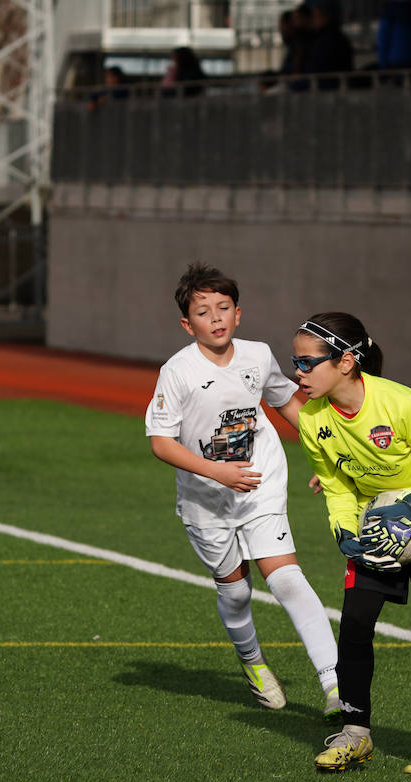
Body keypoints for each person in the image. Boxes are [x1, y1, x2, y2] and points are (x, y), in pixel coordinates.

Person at [145, 262, 341, 720]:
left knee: (286, 576)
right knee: (235, 592)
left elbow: (287, 402)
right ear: (186, 323)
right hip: (205, 498)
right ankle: (253, 664)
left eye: (223, 307)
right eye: (203, 311)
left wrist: (325, 455)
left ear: (238, 314)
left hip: (260, 484)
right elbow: (160, 443)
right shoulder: (177, 372)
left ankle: (335, 683)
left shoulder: (257, 355)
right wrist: (217, 472)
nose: (215, 317)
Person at [292, 312, 411, 774]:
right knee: (355, 621)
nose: (299, 371)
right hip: (376, 526)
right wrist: (343, 531)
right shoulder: (313, 419)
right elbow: (336, 486)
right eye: (294, 361)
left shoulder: (408, 404)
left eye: (308, 362)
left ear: (347, 361)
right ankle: (354, 733)